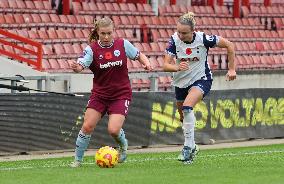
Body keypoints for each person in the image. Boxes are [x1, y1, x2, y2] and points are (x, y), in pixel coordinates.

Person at [69, 17, 152, 167]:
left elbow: (139, 55)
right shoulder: (91, 49)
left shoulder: (123, 44)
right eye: (103, 34)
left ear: (114, 31)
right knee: (87, 126)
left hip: (120, 95)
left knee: (113, 130)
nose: (106, 37)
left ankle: (123, 145)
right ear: (97, 33)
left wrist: (146, 63)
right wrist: (77, 68)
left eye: (109, 33)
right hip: (99, 95)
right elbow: (81, 65)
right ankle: (77, 160)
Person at [163, 12, 236, 164]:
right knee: (183, 117)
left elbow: (229, 45)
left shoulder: (203, 39)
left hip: (201, 79)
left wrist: (231, 69)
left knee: (187, 107)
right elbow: (165, 65)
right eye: (179, 32)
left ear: (193, 31)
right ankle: (193, 146)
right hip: (180, 83)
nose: (180, 35)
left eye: (184, 33)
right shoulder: (174, 40)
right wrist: (176, 67)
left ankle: (188, 147)